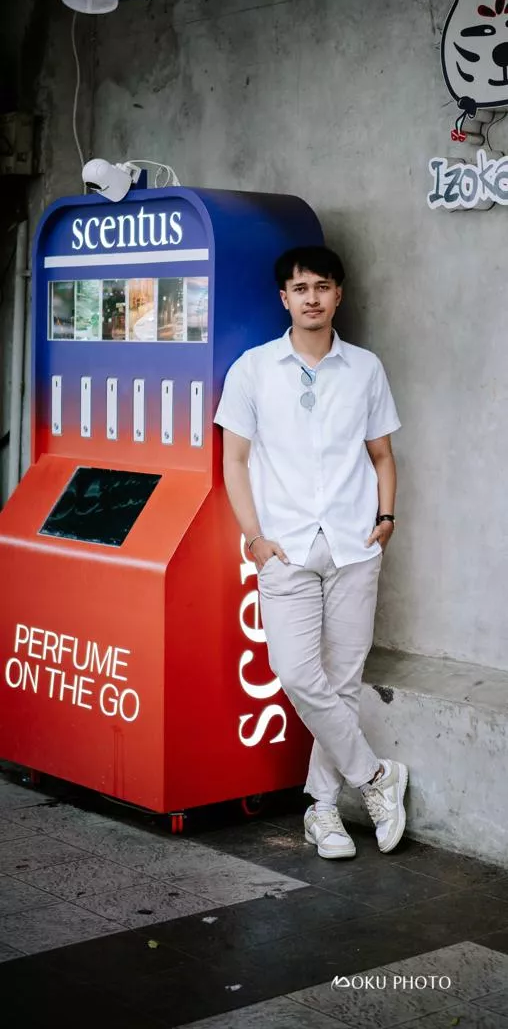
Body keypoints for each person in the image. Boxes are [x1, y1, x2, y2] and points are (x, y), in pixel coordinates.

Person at [214, 244, 408, 860]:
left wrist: (386, 517)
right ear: (285, 298)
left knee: (343, 683)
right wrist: (255, 538)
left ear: (338, 295)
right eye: (300, 289)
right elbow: (235, 461)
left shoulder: (365, 369)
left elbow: (382, 453)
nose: (312, 298)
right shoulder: (253, 369)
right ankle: (376, 777)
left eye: (322, 287)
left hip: (354, 544)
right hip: (285, 549)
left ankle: (322, 811)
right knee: (298, 673)